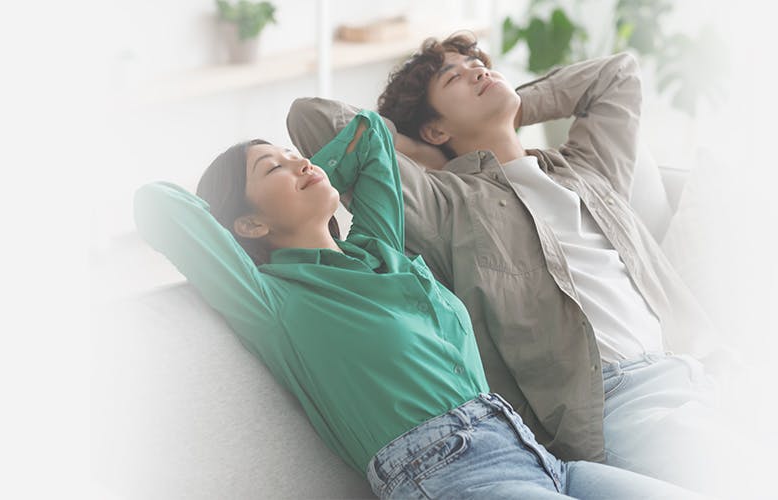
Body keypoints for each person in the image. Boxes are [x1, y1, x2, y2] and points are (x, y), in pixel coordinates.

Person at [132, 108, 699, 498]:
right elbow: (156, 204)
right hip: (448, 477)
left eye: (292, 154)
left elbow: (370, 135)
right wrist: (271, 204)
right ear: (249, 222)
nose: (298, 162)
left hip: (534, 455)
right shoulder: (272, 298)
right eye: (272, 167)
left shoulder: (379, 252)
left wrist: (304, 174)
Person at [285, 32, 737, 492]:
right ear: (434, 129)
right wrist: (422, 152)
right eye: (453, 77)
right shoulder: (445, 205)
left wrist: (511, 106)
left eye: (477, 63)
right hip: (621, 402)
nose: (477, 70)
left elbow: (616, 75)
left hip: (706, 371)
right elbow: (312, 116)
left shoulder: (586, 166)